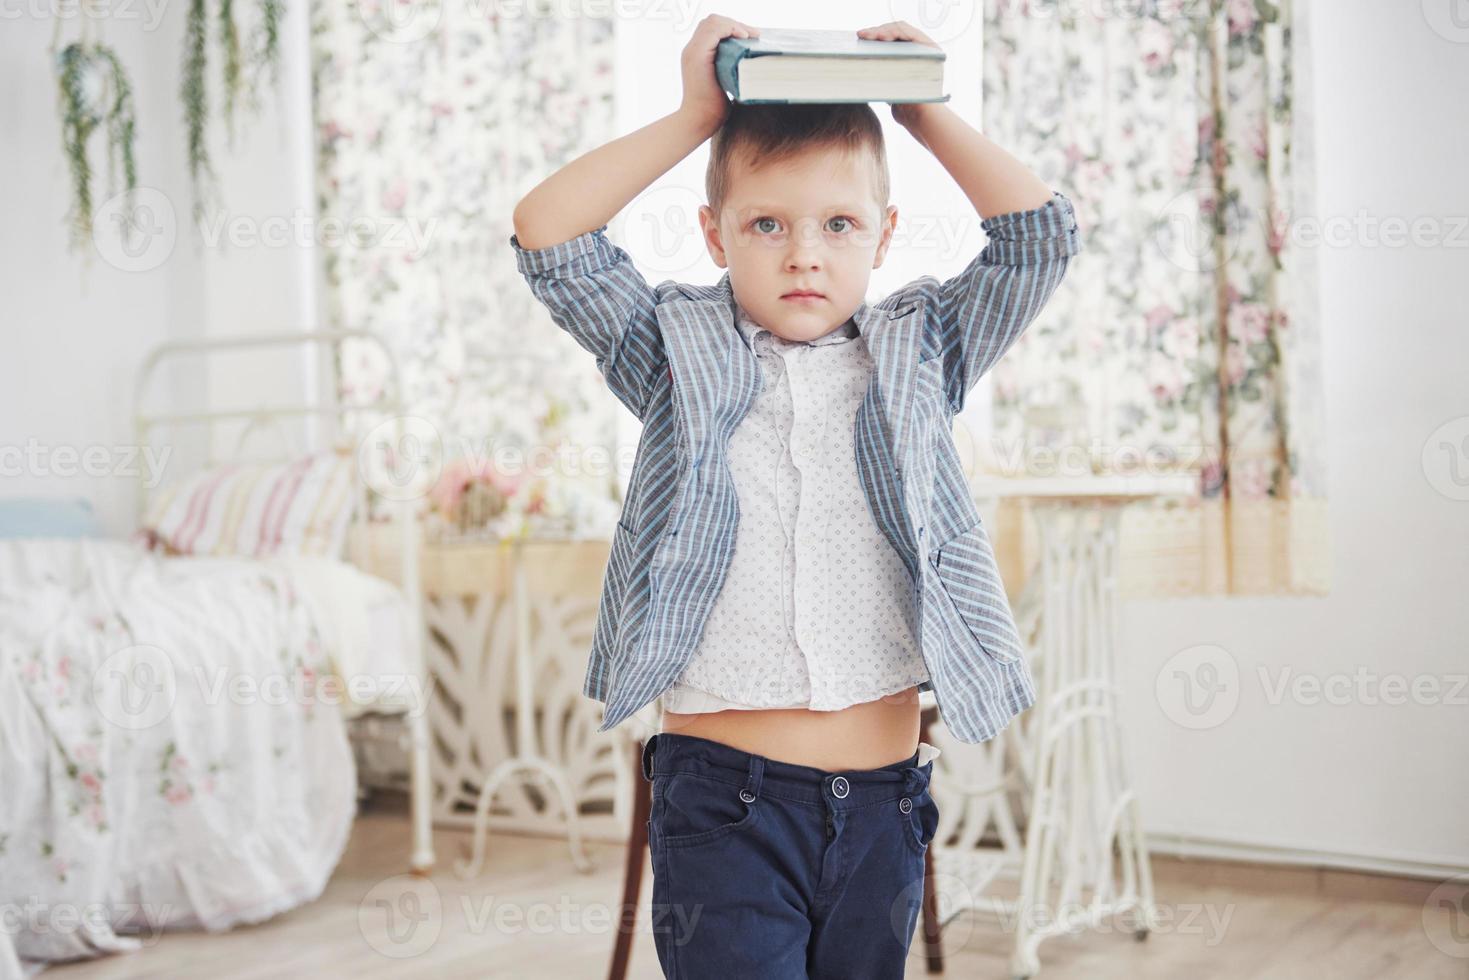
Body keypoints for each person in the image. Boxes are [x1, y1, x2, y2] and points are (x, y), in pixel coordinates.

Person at [510, 14, 1081, 977]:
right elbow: (548, 232)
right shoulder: (671, 353)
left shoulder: (921, 351)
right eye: (766, 224)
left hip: (883, 808)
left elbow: (1036, 242)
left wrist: (921, 112)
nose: (803, 254)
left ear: (884, 235)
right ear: (716, 234)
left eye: (839, 225)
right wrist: (698, 116)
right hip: (722, 806)